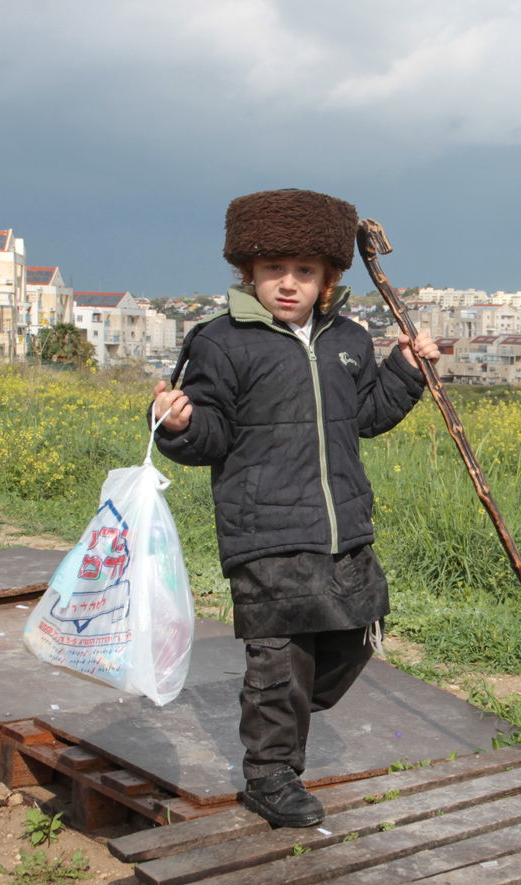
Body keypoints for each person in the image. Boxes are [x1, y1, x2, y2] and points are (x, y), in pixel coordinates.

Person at [150, 189, 439, 827]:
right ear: (247, 272)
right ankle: (271, 777)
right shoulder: (220, 343)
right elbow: (211, 437)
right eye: (274, 270)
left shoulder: (349, 340)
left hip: (343, 528)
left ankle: (283, 703)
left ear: (328, 279)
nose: (288, 284)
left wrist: (406, 370)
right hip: (264, 532)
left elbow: (365, 415)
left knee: (357, 630)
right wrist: (179, 422)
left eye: (304, 272)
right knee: (280, 659)